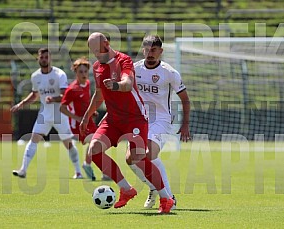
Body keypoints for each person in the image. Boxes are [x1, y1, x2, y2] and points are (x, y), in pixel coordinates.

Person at [80, 32, 174, 214]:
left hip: (135, 118)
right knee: (94, 150)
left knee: (139, 158)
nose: (96, 54)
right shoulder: (97, 67)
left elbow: (128, 83)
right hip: (113, 119)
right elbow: (99, 94)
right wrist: (86, 116)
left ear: (106, 44)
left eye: (97, 49)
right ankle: (126, 189)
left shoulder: (124, 60)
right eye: (92, 51)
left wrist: (115, 85)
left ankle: (165, 198)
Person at [126, 35, 191, 209]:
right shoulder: (134, 69)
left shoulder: (169, 72)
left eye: (154, 50)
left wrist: (185, 124)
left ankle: (169, 197)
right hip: (139, 119)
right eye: (147, 49)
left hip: (161, 119)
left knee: (149, 154)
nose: (150, 53)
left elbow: (185, 99)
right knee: (130, 159)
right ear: (142, 50)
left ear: (160, 51)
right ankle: (154, 187)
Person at [11, 48, 83, 179]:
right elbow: (35, 95)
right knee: (34, 139)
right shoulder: (35, 76)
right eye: (41, 57)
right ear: (38, 59)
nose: (44, 59)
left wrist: (54, 99)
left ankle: (78, 171)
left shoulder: (59, 74)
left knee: (68, 143)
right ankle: (23, 170)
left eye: (46, 57)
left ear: (50, 58)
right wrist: (21, 103)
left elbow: (65, 95)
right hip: (44, 114)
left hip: (59, 114)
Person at [60, 57, 111, 181]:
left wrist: (91, 113)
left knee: (98, 143)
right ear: (76, 73)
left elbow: (86, 102)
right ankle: (104, 172)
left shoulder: (87, 84)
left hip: (89, 121)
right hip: (79, 125)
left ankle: (87, 164)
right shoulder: (71, 89)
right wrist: (77, 118)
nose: (83, 74)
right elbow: (62, 108)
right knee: (96, 142)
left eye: (85, 71)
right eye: (80, 72)